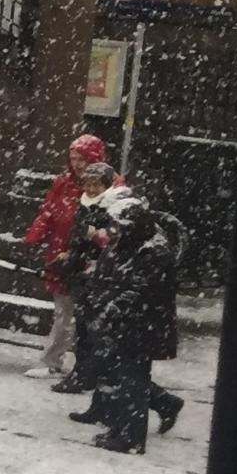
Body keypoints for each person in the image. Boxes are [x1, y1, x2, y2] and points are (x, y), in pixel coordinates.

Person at [67, 184, 183, 454]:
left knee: (132, 378)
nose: (113, 231)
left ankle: (131, 436)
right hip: (126, 322)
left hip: (140, 325)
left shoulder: (153, 250)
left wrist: (110, 308)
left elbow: (140, 289)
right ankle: (119, 423)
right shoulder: (133, 243)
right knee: (117, 372)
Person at [22, 133, 113, 386]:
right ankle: (67, 364)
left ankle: (61, 363)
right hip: (65, 252)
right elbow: (49, 209)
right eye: (73, 158)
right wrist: (36, 235)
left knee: (73, 314)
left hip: (85, 256)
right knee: (65, 310)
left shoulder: (106, 185)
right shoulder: (65, 182)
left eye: (81, 158)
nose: (76, 163)